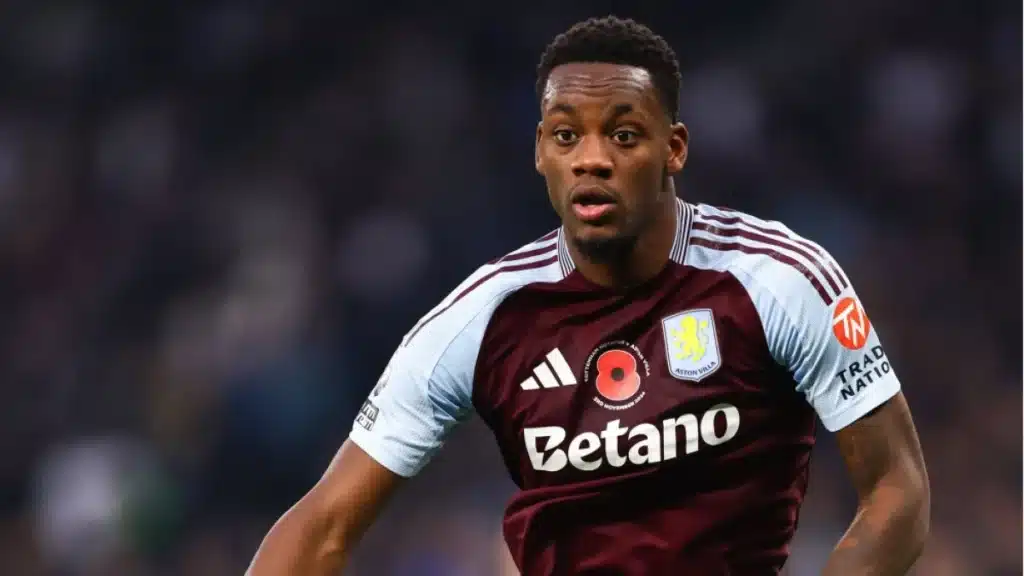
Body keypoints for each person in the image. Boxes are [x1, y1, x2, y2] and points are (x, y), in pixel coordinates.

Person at [247, 15, 929, 575]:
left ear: (674, 148)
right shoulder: (483, 317)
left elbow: (896, 490)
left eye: (624, 135)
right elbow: (323, 527)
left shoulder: (777, 279)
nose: (592, 158)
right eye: (567, 135)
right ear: (541, 151)